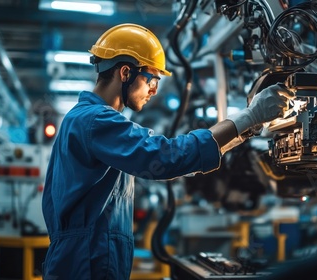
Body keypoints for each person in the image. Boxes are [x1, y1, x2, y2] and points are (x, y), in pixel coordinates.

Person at [41, 23, 294, 279]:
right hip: (84, 263)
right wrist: (248, 117)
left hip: (88, 256)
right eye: (152, 79)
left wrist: (243, 132)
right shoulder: (96, 121)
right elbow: (165, 157)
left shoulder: (91, 121)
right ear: (126, 72)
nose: (154, 90)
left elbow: (168, 163)